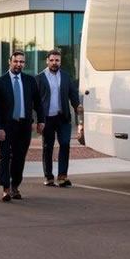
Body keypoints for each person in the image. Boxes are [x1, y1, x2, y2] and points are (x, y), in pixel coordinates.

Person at [0, 51, 44, 202]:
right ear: (10, 62)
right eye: (16, 61)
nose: (19, 64)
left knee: (20, 157)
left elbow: (38, 103)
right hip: (6, 127)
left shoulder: (30, 81)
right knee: (5, 155)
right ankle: (6, 188)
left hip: (24, 126)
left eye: (21, 62)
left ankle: (15, 186)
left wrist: (41, 121)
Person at [37, 49, 81, 188]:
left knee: (65, 145)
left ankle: (62, 176)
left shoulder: (66, 76)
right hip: (47, 119)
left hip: (63, 118)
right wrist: (37, 120)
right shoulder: (39, 78)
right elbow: (35, 101)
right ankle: (48, 177)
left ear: (60, 61)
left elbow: (73, 94)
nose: (54, 63)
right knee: (48, 147)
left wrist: (77, 105)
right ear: (47, 61)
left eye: (57, 60)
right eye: (52, 60)